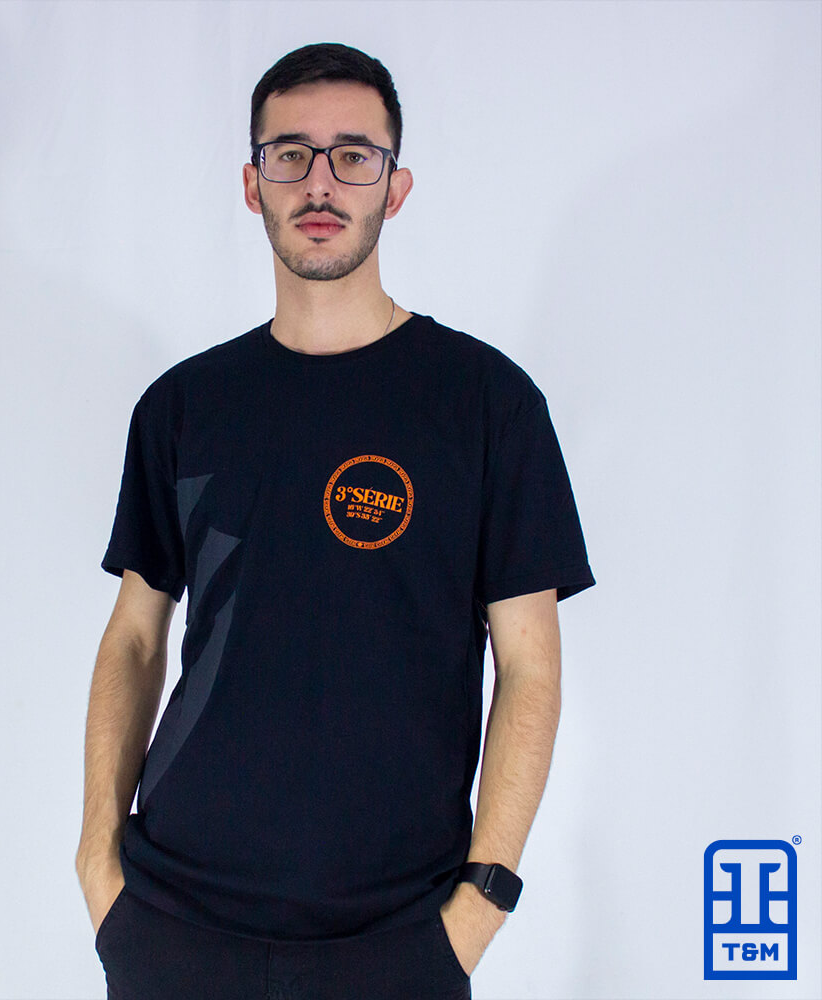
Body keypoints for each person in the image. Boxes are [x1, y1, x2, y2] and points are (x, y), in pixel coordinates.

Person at [75, 41, 595, 1000]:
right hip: (174, 922)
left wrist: (481, 903)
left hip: (397, 936)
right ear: (253, 184)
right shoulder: (185, 406)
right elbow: (137, 638)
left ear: (395, 187)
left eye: (354, 155)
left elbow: (529, 666)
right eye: (291, 154)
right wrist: (97, 866)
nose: (321, 182)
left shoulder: (487, 404)